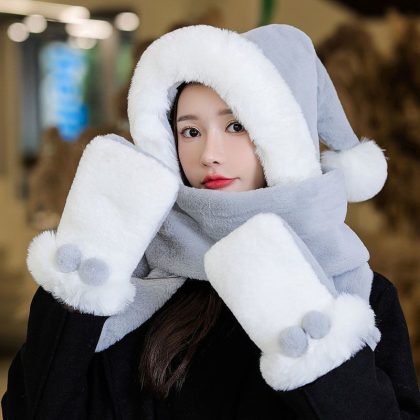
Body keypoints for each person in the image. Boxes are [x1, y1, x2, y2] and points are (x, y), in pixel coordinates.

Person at [2, 24, 420, 420]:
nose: (209, 155)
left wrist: (309, 336)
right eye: (190, 131)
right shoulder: (132, 284)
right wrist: (83, 271)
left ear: (284, 136)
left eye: (236, 125)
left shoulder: (358, 293)